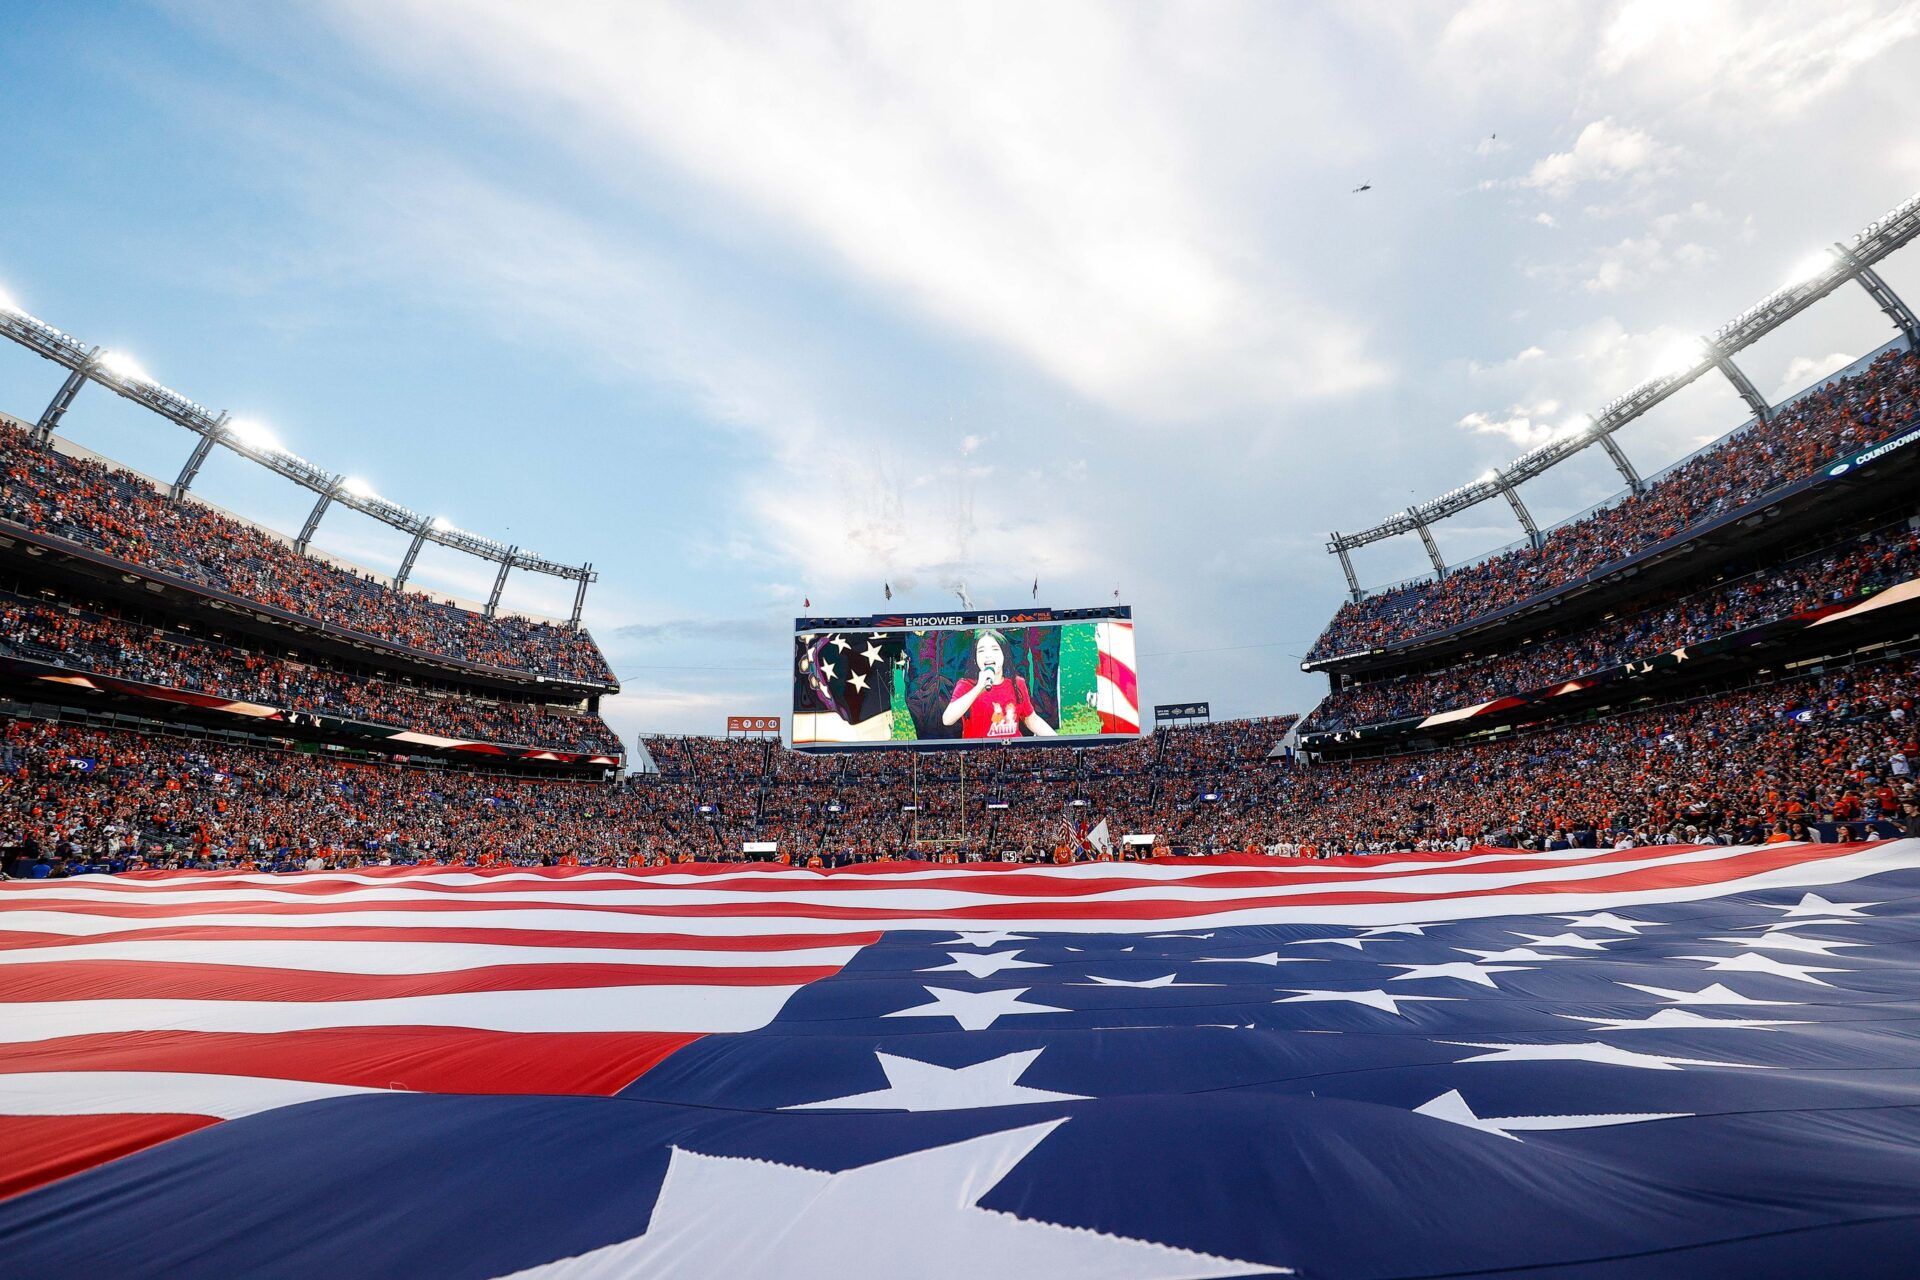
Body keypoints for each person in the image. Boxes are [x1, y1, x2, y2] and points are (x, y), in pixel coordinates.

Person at [941, 631, 1057, 740]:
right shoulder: (966, 685)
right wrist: (979, 687)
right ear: (975, 659)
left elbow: (1031, 719)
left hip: (1013, 750)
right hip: (980, 753)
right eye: (981, 651)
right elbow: (947, 720)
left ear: (1004, 654)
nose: (988, 655)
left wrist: (1060, 741)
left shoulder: (1017, 683)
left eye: (994, 649)